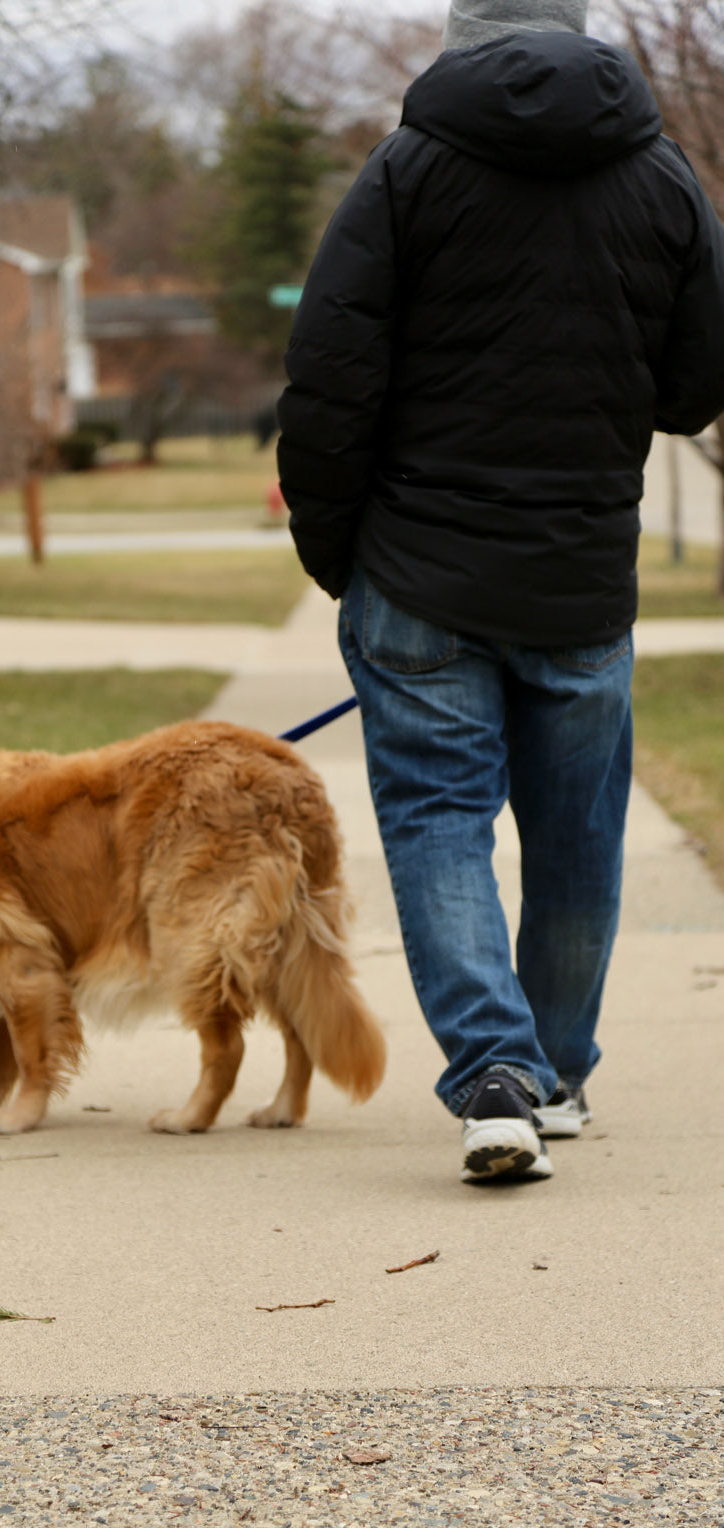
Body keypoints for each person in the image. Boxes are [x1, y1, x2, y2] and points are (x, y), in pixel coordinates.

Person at [276, 0, 724, 1182]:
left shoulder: (406, 170)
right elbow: (694, 383)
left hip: (418, 573)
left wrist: (337, 554)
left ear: (457, 37)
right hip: (580, 577)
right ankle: (555, 1071)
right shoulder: (663, 175)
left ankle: (492, 1070)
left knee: (436, 823)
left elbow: (327, 373)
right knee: (576, 839)